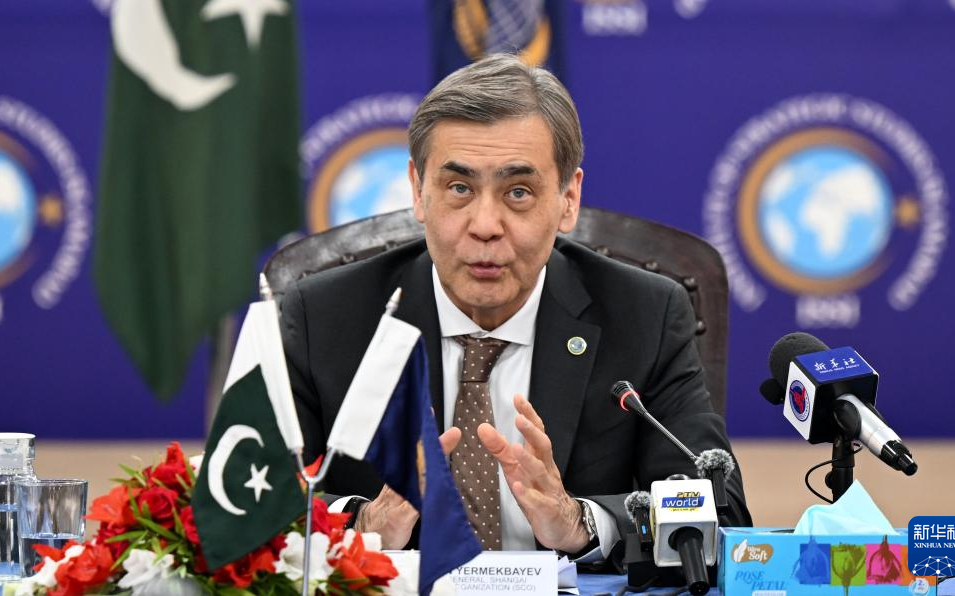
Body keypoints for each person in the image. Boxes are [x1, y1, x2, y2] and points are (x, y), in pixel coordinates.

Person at [281, 53, 751, 564]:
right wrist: (367, 525)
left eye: (518, 192)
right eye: (459, 188)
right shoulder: (325, 317)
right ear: (418, 191)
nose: (485, 224)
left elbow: (719, 512)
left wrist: (581, 523)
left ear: (568, 198)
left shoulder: (645, 315)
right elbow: (244, 505)